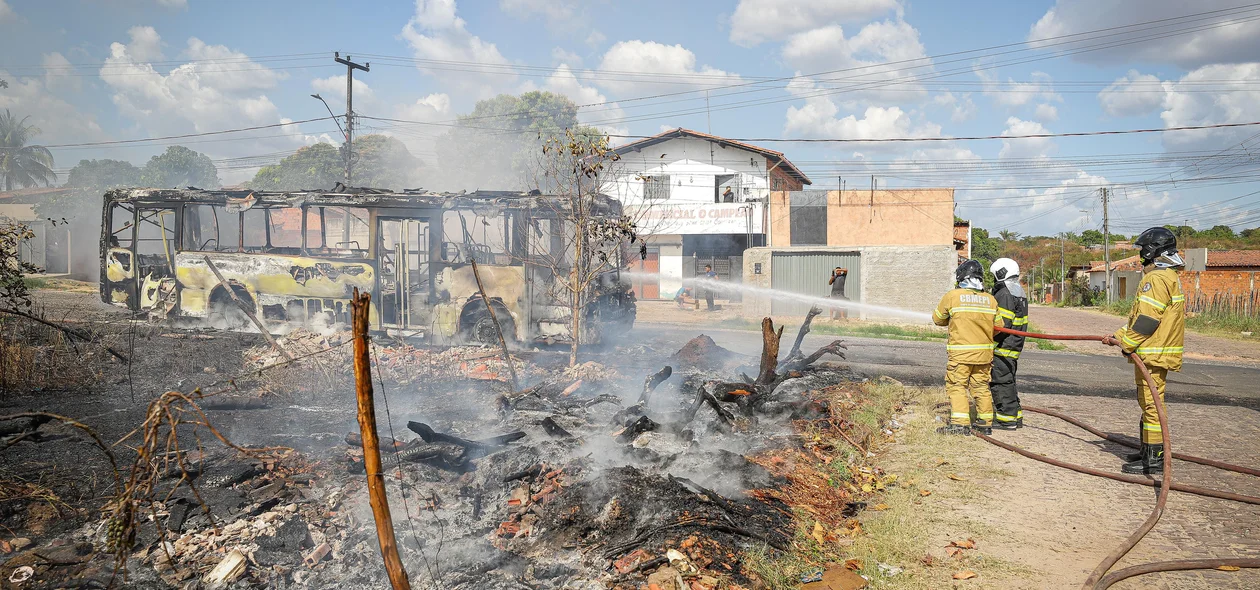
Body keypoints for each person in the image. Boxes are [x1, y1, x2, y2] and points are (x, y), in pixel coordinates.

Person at [1101, 227, 1185, 475]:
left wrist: (1127, 344)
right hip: (1153, 350)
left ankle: (1155, 459)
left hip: (1153, 352)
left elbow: (1148, 321)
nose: (1140, 256)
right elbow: (1141, 317)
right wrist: (1118, 335)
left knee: (1152, 405)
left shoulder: (1156, 279)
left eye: (1142, 250)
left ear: (1151, 250)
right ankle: (1147, 449)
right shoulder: (1167, 276)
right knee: (1148, 402)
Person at [933, 259, 1003, 435]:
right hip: (984, 356)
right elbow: (999, 327)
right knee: (981, 387)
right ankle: (985, 423)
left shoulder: (953, 296)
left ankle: (960, 424)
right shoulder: (991, 300)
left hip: (961, 355)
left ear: (961, 278)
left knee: (957, 386)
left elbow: (938, 319)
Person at [988, 258, 1029, 430]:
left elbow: (1001, 325)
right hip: (1013, 346)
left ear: (1001, 272)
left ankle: (1007, 420)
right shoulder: (1018, 291)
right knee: (1009, 381)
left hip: (1003, 346)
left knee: (1000, 382)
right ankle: (1015, 416)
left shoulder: (1004, 293)